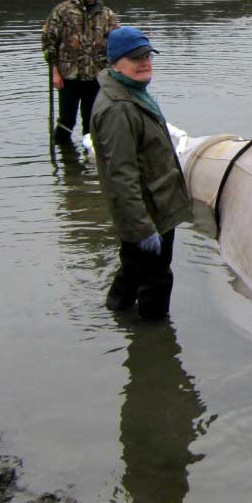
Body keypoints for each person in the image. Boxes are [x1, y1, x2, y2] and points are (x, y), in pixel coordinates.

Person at [91, 27, 193, 319]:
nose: (145, 62)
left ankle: (115, 311)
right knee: (157, 280)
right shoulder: (118, 109)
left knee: (134, 268)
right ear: (115, 62)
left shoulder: (133, 93)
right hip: (148, 213)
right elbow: (121, 177)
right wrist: (143, 228)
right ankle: (154, 345)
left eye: (147, 55)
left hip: (155, 204)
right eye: (136, 57)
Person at [41, 0, 120, 143]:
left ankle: (87, 162)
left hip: (96, 77)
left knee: (92, 123)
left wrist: (115, 74)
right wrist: (54, 72)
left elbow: (116, 45)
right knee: (66, 122)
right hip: (69, 76)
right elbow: (48, 42)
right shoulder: (61, 11)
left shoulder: (107, 14)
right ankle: (64, 155)